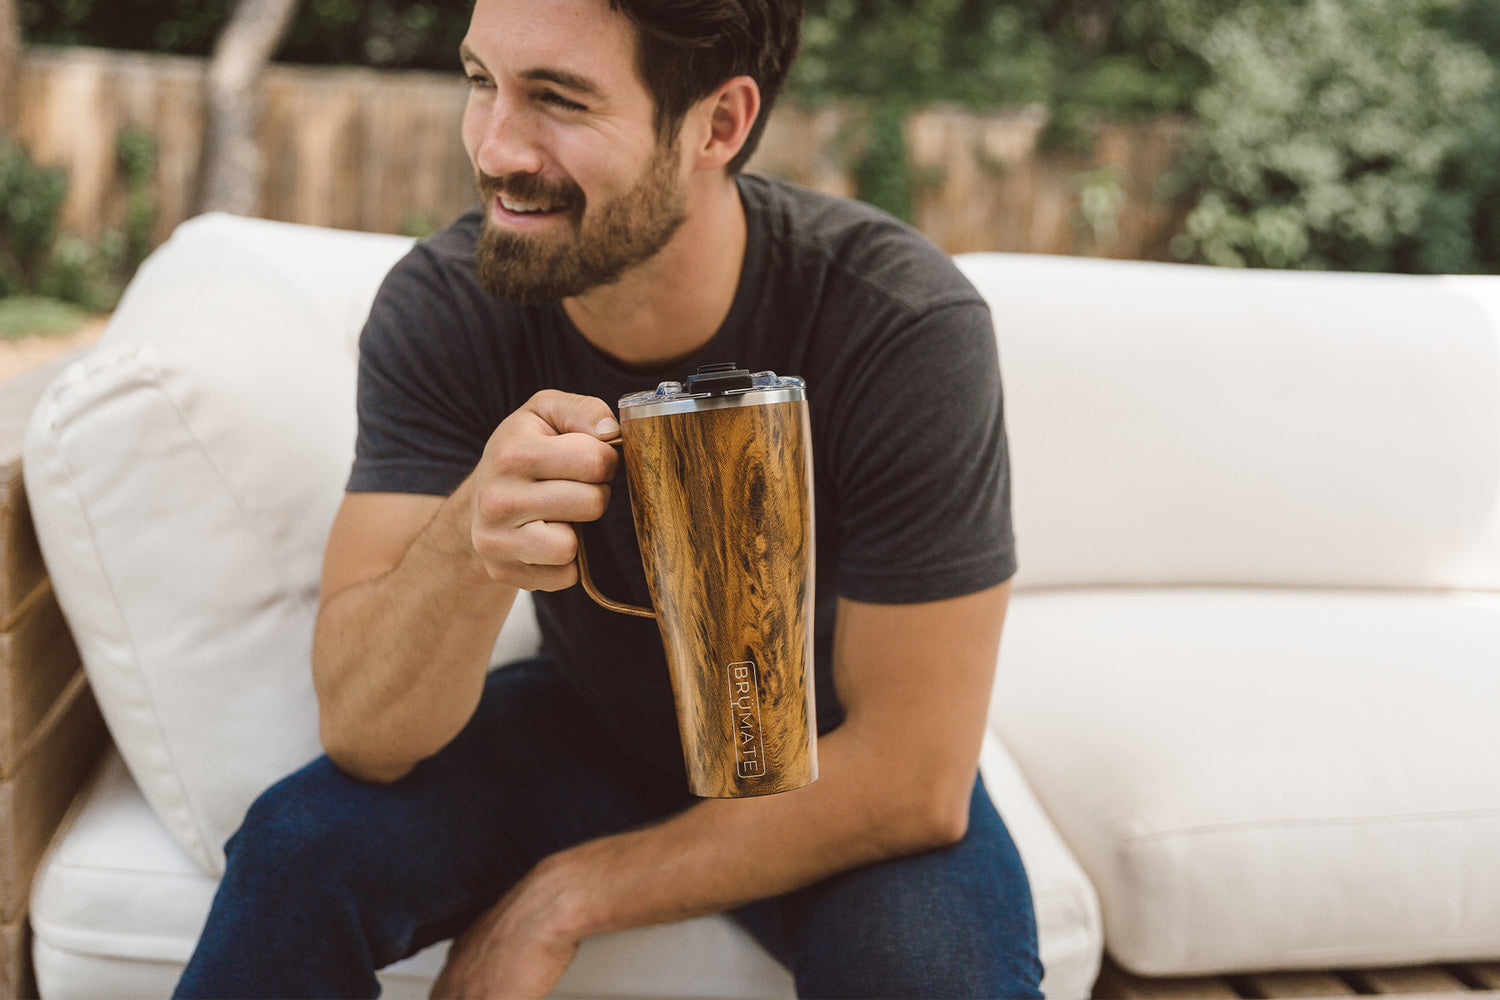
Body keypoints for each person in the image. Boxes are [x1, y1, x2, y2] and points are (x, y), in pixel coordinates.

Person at [174, 0, 1042, 996]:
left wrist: (565, 897)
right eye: (479, 80)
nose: (494, 146)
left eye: (556, 99)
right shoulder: (446, 306)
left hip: (826, 755)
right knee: (296, 852)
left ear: (718, 125)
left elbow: (914, 779)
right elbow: (365, 735)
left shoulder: (899, 323)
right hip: (590, 721)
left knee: (935, 975)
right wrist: (466, 540)